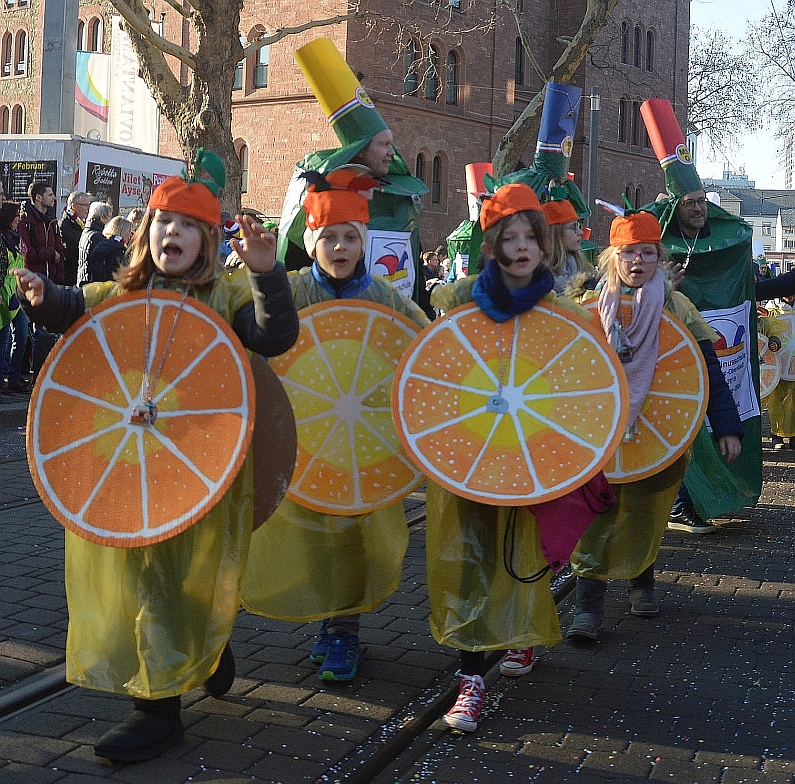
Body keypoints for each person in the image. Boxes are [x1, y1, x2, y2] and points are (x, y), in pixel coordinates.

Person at [12, 149, 299, 763]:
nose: (174, 232)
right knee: (147, 579)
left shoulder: (226, 298)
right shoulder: (122, 293)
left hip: (201, 465)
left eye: (189, 225)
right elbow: (73, 310)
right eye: (165, 221)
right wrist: (42, 296)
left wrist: (267, 274)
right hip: (132, 463)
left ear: (207, 241)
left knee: (186, 574)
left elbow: (275, 336)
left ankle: (201, 651)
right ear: (148, 231)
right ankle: (159, 706)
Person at [242, 167, 429, 683]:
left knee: (352, 536)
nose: (340, 246)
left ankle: (345, 631)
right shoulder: (293, 290)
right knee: (315, 536)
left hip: (365, 441)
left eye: (350, 236)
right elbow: (256, 333)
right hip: (304, 438)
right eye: (329, 237)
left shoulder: (386, 299)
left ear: (364, 242)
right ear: (312, 242)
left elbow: (424, 349)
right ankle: (328, 621)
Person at [426, 183, 593, 732]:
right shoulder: (456, 305)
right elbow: (434, 377)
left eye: (530, 236)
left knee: (522, 553)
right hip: (470, 452)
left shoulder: (562, 315)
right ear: (491, 246)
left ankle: (519, 633)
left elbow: (580, 391)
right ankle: (471, 679)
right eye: (509, 237)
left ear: (545, 245)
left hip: (532, 454)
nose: (521, 246)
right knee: (469, 560)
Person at [565, 211, 743, 642]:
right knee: (595, 514)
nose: (637, 261)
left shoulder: (676, 307)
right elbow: (561, 367)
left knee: (645, 512)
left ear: (658, 257)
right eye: (628, 252)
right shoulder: (584, 305)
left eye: (647, 253)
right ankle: (587, 608)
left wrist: (727, 426)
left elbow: (706, 369)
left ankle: (641, 582)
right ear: (612, 257)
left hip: (657, 432)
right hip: (601, 431)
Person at [640, 98, 760, 535]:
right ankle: (680, 504)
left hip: (716, 350)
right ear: (676, 206)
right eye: (690, 202)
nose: (699, 208)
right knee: (680, 423)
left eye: (702, 201)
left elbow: (749, 289)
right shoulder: (655, 248)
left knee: (713, 419)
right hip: (668, 354)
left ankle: (707, 496)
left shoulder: (725, 244)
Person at [276, 38, 427, 308]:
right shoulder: (322, 190)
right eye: (384, 144)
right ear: (360, 150)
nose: (392, 153)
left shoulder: (401, 196)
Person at [19, 181, 65, 378]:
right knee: (35, 331)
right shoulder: (25, 221)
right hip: (32, 281)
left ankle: (43, 374)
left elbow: (60, 253)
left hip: (51, 282)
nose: (54, 198)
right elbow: (28, 253)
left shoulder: (52, 221)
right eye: (50, 194)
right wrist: (50, 253)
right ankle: (36, 375)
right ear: (38, 197)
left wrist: (59, 279)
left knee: (46, 330)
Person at [539, 197, 596, 294]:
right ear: (555, 234)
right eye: (573, 227)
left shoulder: (582, 265)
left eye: (579, 226)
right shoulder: (538, 275)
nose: (580, 232)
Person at [0, 201, 27, 395]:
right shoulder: (2, 240)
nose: (18, 219)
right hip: (3, 294)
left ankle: (14, 377)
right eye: (15, 216)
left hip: (18, 294)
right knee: (3, 340)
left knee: (22, 336)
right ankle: (2, 380)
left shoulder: (17, 238)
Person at [84, 216, 133, 284]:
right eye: (129, 231)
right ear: (122, 231)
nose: (130, 235)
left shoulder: (103, 244)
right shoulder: (118, 250)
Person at [59, 191, 92, 286]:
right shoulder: (64, 224)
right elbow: (71, 250)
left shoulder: (84, 222)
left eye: (89, 205)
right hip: (71, 275)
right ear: (74, 206)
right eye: (85, 205)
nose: (88, 208)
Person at [77, 201, 113, 285]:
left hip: (84, 278)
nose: (111, 220)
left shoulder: (87, 231)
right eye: (109, 216)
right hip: (92, 282)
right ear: (102, 218)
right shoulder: (97, 236)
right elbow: (98, 265)